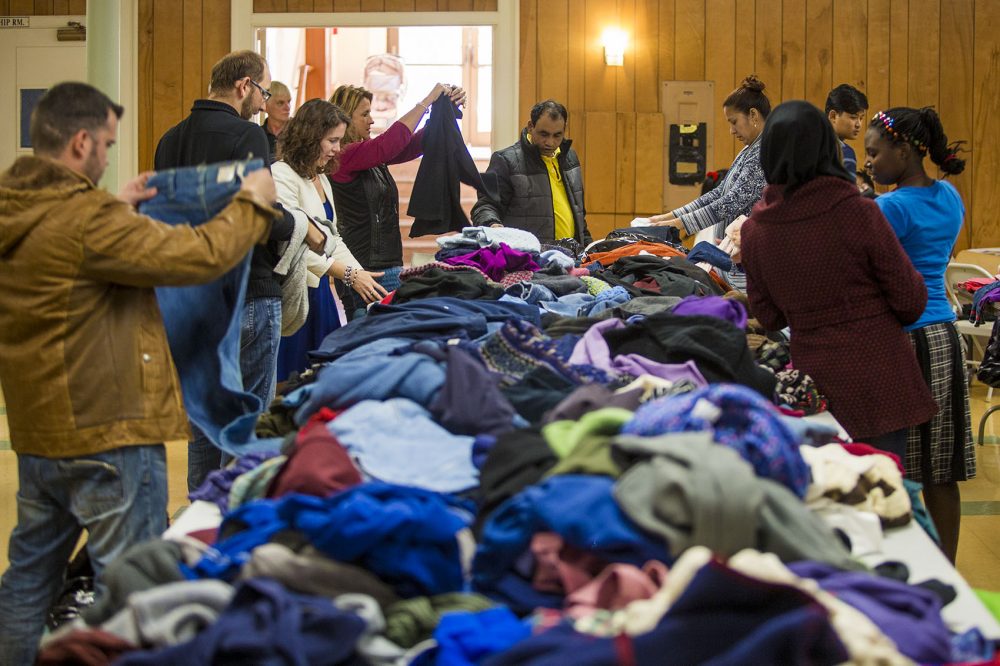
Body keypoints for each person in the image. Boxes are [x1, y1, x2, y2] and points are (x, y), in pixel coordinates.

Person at [0, 82, 278, 666]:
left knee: (29, 577)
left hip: (40, 428)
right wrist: (251, 203)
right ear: (80, 142)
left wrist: (114, 210)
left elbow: (67, 265)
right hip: (109, 427)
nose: (105, 156)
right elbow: (196, 256)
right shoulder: (86, 218)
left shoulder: (18, 209)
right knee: (132, 585)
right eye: (104, 143)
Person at [155, 50, 322, 492]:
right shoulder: (247, 136)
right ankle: (237, 516)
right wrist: (303, 227)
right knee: (249, 422)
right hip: (247, 288)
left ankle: (202, 511)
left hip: (193, 297)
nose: (264, 103)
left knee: (205, 419)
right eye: (264, 93)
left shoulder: (169, 140)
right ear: (244, 86)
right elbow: (261, 214)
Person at [741, 99, 937, 463]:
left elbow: (770, 319)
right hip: (881, 380)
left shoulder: (755, 232)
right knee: (884, 500)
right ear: (826, 148)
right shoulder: (859, 212)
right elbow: (912, 302)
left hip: (815, 386)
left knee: (833, 504)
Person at [865, 105, 974, 563]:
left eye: (874, 153)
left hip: (904, 340)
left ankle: (904, 564)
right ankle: (948, 566)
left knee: (899, 466)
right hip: (945, 336)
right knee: (941, 468)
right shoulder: (950, 196)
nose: (868, 162)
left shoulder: (889, 208)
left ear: (904, 150)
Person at [271, 99, 388, 378]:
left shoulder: (320, 178)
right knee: (289, 377)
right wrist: (348, 274)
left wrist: (361, 275)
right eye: (332, 140)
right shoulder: (281, 175)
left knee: (321, 374)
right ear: (311, 138)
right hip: (295, 292)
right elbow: (293, 242)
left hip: (320, 291)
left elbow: (331, 238)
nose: (338, 148)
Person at [328, 82, 466, 318]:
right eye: (364, 114)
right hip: (363, 268)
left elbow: (413, 144)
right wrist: (426, 101)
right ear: (345, 119)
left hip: (387, 263)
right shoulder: (344, 156)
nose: (371, 120)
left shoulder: (369, 156)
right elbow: (389, 143)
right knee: (367, 340)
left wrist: (444, 111)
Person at [650, 75, 771, 291]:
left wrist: (679, 225)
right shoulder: (749, 150)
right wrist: (670, 216)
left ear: (753, 114)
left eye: (734, 122)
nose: (732, 131)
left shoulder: (763, 152)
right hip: (733, 257)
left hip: (749, 265)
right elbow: (719, 194)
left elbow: (730, 203)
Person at [470, 99, 591, 246]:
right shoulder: (505, 160)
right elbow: (485, 206)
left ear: (564, 130)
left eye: (557, 135)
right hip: (528, 258)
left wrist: (589, 249)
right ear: (530, 127)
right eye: (544, 134)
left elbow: (579, 217)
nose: (550, 142)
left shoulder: (570, 158)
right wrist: (493, 227)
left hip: (572, 257)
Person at [825, 83, 868, 174]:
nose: (858, 124)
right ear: (833, 116)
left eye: (861, 118)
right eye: (853, 117)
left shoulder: (807, 143)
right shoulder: (845, 152)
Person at [262, 80, 292, 163]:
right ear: (266, 105)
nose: (288, 107)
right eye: (280, 103)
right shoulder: (258, 134)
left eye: (289, 102)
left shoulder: (298, 133)